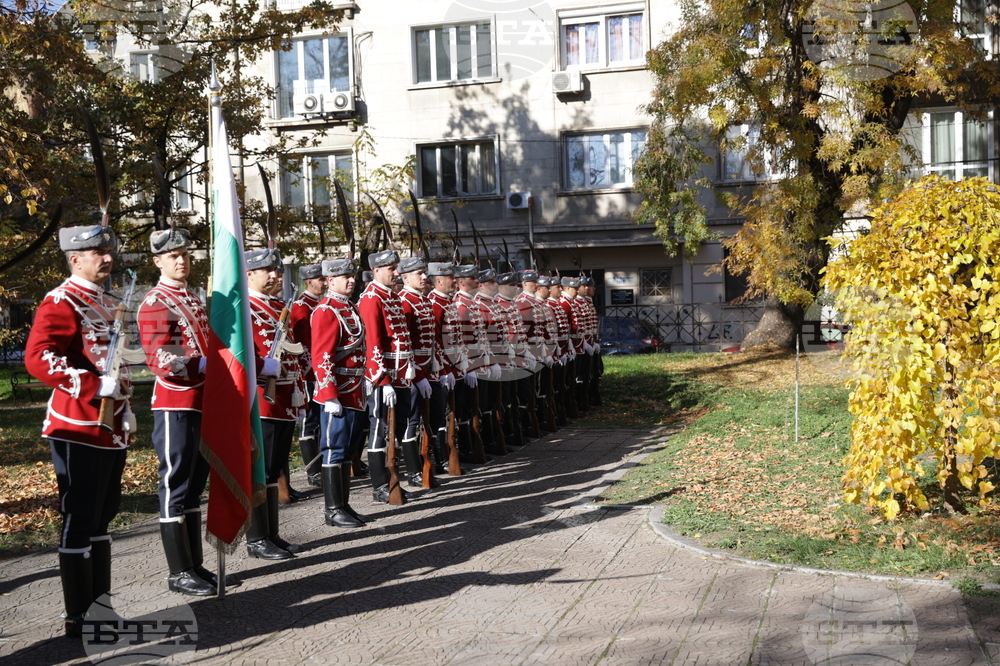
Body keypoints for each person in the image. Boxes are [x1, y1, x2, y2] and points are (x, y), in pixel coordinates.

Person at [24, 224, 133, 637]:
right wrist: (90, 385)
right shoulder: (61, 300)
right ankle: (78, 617)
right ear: (75, 259)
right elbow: (38, 358)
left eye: (107, 250)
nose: (107, 257)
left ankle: (100, 609)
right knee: (81, 515)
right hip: (77, 424)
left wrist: (121, 400)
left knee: (104, 516)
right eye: (96, 252)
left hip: (108, 425)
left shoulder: (105, 302)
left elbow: (114, 359)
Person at [136, 228, 216, 597]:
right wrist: (202, 366)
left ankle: (194, 564)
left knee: (195, 485)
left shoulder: (191, 298)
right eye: (172, 256)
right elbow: (161, 358)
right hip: (176, 402)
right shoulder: (156, 301)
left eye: (184, 254)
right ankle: (178, 571)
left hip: (202, 401)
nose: (181, 260)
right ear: (158, 261)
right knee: (175, 484)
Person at [245, 248, 304, 559]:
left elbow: (292, 354)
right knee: (261, 469)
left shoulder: (277, 307)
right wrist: (261, 367)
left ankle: (271, 533)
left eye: (278, 270)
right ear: (249, 274)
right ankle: (256, 538)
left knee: (274, 469)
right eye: (267, 270)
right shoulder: (245, 308)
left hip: (284, 400)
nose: (276, 275)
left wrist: (300, 392)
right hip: (262, 402)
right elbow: (238, 355)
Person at [311, 258, 368, 527]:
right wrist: (329, 393)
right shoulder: (326, 310)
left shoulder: (349, 307)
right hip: (338, 391)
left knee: (347, 449)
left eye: (352, 275)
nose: (350, 279)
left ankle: (343, 504)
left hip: (355, 388)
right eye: (344, 276)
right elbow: (322, 355)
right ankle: (332, 509)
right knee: (334, 448)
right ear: (330, 280)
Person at [358, 249, 414, 503]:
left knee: (397, 428)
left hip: (400, 374)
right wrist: (382, 380)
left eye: (396, 267)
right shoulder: (371, 298)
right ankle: (381, 485)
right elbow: (372, 342)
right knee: (380, 428)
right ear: (377, 271)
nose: (396, 272)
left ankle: (394, 479)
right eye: (391, 269)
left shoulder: (390, 296)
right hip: (384, 377)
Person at [397, 256, 436, 485]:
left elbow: (432, 339)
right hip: (411, 373)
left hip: (427, 369)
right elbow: (406, 344)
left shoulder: (422, 300)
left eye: (424, 273)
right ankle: (413, 471)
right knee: (411, 421)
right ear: (405, 277)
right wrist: (419, 376)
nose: (424, 277)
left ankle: (423, 466)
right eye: (419, 274)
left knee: (424, 419)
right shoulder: (405, 302)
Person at [452, 264, 496, 463]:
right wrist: (469, 366)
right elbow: (461, 340)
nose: (477, 281)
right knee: (465, 410)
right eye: (472, 278)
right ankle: (466, 449)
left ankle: (480, 445)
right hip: (467, 368)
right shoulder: (461, 305)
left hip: (480, 365)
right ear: (461, 282)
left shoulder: (472, 303)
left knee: (480, 406)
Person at [290, 263, 326, 491]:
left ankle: (322, 465)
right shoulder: (302, 307)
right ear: (309, 281)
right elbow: (302, 346)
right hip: (309, 373)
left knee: (321, 421)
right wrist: (311, 374)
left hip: (321, 370)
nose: (324, 282)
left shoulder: (320, 304)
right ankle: (313, 471)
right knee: (310, 422)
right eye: (320, 279)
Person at [425, 262, 464, 472]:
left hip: (450, 367)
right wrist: (444, 370)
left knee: (450, 414)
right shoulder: (434, 303)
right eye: (450, 278)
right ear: (439, 280)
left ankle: (447, 458)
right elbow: (434, 341)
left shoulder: (448, 302)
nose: (454, 281)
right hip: (438, 370)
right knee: (439, 416)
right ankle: (439, 460)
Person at [495, 270, 534, 445]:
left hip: (519, 358)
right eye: (511, 285)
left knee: (522, 395)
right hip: (506, 360)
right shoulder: (498, 305)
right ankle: (505, 433)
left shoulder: (511, 305)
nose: (516, 288)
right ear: (502, 288)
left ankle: (518, 428)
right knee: (505, 399)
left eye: (516, 284)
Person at [515, 269, 551, 436]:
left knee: (535, 389)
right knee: (526, 392)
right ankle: (525, 425)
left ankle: (532, 422)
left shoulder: (533, 301)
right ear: (524, 283)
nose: (537, 284)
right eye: (533, 281)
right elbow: (522, 332)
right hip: (527, 355)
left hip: (537, 353)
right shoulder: (522, 301)